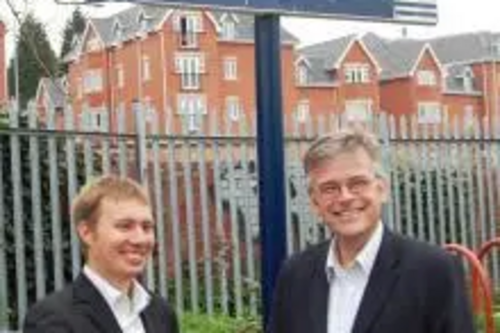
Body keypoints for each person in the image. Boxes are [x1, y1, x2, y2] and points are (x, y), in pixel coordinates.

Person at [268, 128, 474, 333]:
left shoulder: (433, 270)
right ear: (315, 202)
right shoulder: (295, 275)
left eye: (358, 183)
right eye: (330, 188)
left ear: (381, 189)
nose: (345, 197)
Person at [23, 175, 179, 333]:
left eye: (147, 227)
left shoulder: (161, 313)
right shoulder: (52, 318)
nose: (140, 239)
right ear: (87, 232)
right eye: (124, 226)